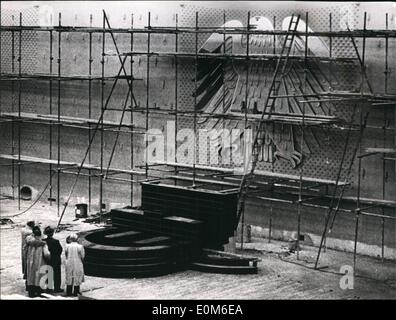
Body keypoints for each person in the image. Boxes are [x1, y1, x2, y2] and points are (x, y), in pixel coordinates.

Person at [26, 226, 46, 297]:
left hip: (31, 260)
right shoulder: (41, 242)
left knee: (31, 275)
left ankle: (31, 292)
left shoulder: (29, 238)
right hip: (38, 260)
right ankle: (38, 291)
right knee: (38, 275)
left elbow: (31, 241)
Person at [44, 226, 63, 293]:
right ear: (52, 233)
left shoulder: (44, 241)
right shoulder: (56, 241)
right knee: (57, 274)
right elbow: (60, 250)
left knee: (48, 273)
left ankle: (49, 288)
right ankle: (57, 288)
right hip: (56, 259)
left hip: (47, 260)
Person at [21, 221, 35, 289]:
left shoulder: (23, 230)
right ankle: (30, 284)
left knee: (27, 267)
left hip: (25, 250)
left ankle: (28, 283)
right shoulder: (29, 232)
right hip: (29, 251)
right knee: (29, 267)